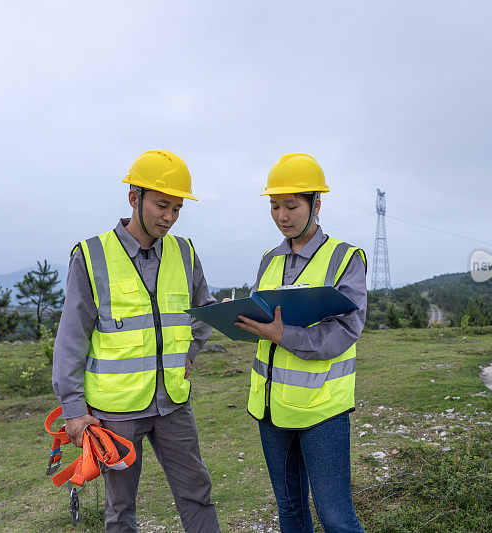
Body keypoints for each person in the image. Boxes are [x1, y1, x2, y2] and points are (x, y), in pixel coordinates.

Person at [52, 150, 221, 532]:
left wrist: (190, 350)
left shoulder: (185, 252)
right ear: (134, 197)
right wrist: (74, 409)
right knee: (120, 508)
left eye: (178, 208)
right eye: (163, 205)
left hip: (173, 403)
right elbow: (71, 339)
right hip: (116, 411)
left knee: (197, 491)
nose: (170, 217)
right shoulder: (91, 256)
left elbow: (205, 311)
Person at [235, 153, 367, 532]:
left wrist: (283, 335)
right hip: (271, 408)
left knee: (336, 517)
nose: (282, 216)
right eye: (275, 206)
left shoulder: (344, 258)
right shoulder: (268, 260)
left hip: (321, 410)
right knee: (290, 510)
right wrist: (239, 315)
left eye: (291, 206)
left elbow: (344, 332)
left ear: (316, 204)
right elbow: (265, 318)